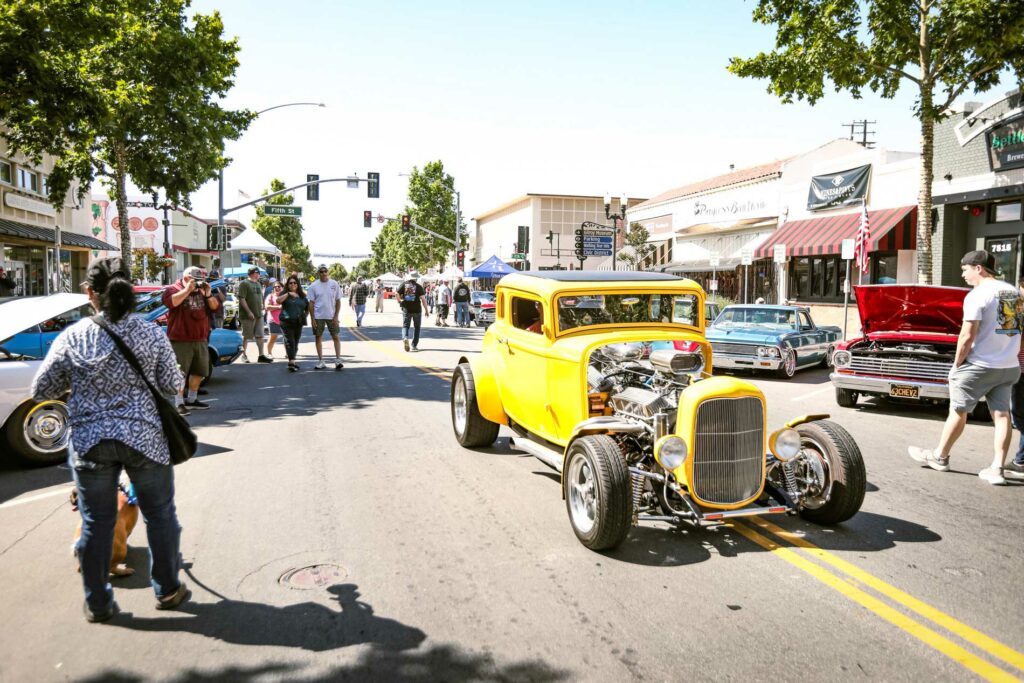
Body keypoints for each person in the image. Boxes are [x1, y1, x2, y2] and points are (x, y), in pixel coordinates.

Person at [31, 257, 190, 622]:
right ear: (130, 290)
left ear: (90, 293)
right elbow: (172, 384)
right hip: (145, 438)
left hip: (91, 442)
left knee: (96, 522)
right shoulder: (151, 332)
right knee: (161, 515)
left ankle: (98, 603)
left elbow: (42, 390)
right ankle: (167, 589)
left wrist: (82, 387)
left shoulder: (73, 336)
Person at [909, 250, 1023, 485]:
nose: (963, 274)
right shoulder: (1011, 292)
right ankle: (997, 469)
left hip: (979, 365)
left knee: (958, 411)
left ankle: (940, 457)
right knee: (1002, 416)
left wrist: (957, 364)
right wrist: (1012, 355)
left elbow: (967, 335)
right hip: (1008, 366)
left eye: (965, 269)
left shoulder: (977, 295)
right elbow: (1015, 331)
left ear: (978, 268)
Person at [162, 266, 219, 415]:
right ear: (186, 278)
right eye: (195, 280)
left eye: (200, 280)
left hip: (200, 338)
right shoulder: (173, 289)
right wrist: (187, 289)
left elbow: (215, 307)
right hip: (180, 339)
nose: (198, 283)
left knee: (200, 371)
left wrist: (207, 295)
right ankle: (179, 402)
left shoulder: (201, 290)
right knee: (180, 373)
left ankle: (192, 399)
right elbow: (172, 303)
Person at [306, 264, 344, 370]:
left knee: (335, 336)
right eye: (321, 271)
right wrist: (312, 318)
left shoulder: (334, 284)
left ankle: (338, 360)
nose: (323, 273)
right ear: (318, 273)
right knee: (318, 337)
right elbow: (311, 303)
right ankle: (321, 361)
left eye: (325, 271)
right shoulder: (313, 286)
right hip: (318, 316)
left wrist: (336, 316)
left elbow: (338, 301)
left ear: (328, 272)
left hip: (331, 316)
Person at [1006, 277, 1024, 480]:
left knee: (1019, 415)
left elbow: (1014, 339)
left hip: (1020, 368)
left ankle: (1021, 460)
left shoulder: (1017, 308)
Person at [237, 267, 272, 364]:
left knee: (260, 335)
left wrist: (262, 307)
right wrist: (248, 311)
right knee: (246, 336)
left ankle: (261, 355)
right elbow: (242, 298)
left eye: (258, 273)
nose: (258, 274)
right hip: (248, 315)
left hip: (258, 314)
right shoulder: (244, 283)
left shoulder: (258, 284)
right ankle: (243, 355)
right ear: (251, 273)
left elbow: (260, 297)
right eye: (256, 273)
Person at [277, 276, 308, 372]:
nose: (293, 284)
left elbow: (307, 308)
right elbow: (278, 301)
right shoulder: (284, 294)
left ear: (298, 284)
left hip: (298, 322)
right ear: (287, 284)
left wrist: (304, 316)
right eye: (290, 283)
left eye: (295, 283)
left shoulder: (302, 295)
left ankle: (292, 359)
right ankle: (291, 361)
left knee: (296, 341)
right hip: (286, 322)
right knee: (290, 341)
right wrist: (288, 294)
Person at [398, 271, 427, 352]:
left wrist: (400, 301)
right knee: (417, 327)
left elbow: (396, 293)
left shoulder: (404, 285)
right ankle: (414, 345)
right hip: (417, 310)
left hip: (407, 309)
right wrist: (427, 310)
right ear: (416, 278)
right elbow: (423, 300)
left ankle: (405, 338)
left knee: (405, 326)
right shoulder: (419, 286)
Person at [264, 281, 284, 357]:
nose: (277, 288)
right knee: (273, 337)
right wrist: (278, 307)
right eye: (275, 287)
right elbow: (267, 307)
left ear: (282, 288)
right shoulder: (270, 296)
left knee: (287, 338)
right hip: (273, 320)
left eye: (279, 286)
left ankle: (288, 354)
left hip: (285, 321)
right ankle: (269, 353)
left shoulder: (285, 296)